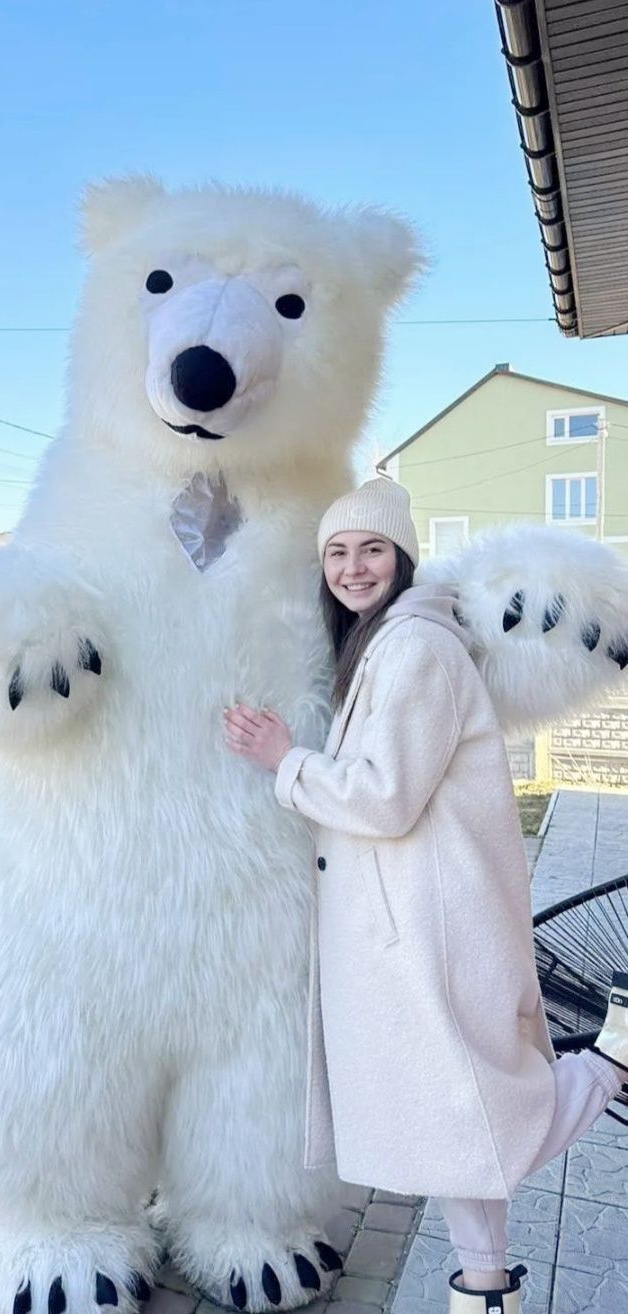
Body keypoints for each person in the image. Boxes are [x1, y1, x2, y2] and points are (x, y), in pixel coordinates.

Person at [223, 477, 628, 1314]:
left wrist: (283, 762)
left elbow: (383, 796)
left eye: (372, 549)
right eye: (337, 553)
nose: (352, 567)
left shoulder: (414, 649)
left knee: (483, 1112)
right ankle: (484, 1284)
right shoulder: (388, 643)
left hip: (427, 925)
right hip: (411, 915)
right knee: (451, 1119)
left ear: (402, 557)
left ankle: (610, 1062)